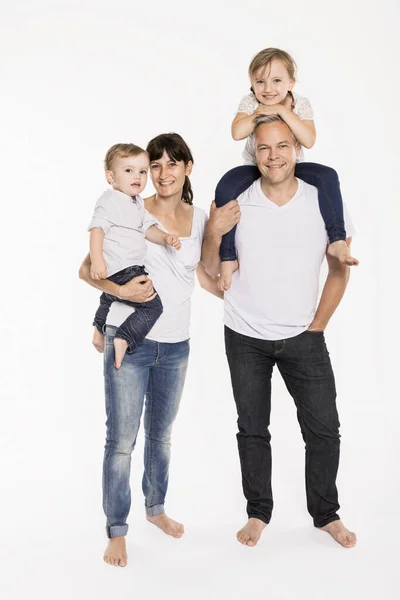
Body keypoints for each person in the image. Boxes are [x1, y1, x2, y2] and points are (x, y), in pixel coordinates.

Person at [79, 133, 237, 568]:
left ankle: (155, 509)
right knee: (122, 441)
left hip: (176, 344)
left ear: (187, 168)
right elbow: (85, 269)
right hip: (129, 339)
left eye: (173, 164)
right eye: (156, 164)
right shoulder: (128, 206)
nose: (162, 173)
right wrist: (117, 288)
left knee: (161, 436)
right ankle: (117, 529)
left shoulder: (200, 216)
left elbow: (204, 275)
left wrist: (236, 292)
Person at [201, 114, 357, 549]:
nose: (274, 156)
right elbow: (208, 271)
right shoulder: (237, 199)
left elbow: (339, 271)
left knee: (324, 431)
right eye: (265, 148)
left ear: (297, 149)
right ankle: (258, 512)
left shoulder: (321, 199)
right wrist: (213, 235)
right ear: (254, 153)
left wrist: (318, 324)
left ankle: (326, 515)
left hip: (304, 338)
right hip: (245, 337)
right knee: (253, 428)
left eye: (283, 146)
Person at [215, 47, 358, 291]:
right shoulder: (251, 102)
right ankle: (228, 257)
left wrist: (281, 110)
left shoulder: (299, 104)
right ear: (251, 84)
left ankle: (336, 240)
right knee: (226, 185)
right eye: (260, 82)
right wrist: (261, 111)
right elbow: (237, 132)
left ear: (291, 83)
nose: (268, 89)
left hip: (291, 167)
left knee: (328, 176)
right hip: (255, 167)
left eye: (277, 81)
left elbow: (309, 139)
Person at [89, 143, 181, 369]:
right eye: (128, 171)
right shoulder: (109, 200)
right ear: (111, 176)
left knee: (107, 298)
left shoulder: (137, 202)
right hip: (126, 269)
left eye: (142, 171)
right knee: (153, 305)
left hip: (121, 270)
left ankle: (98, 331)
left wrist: (165, 237)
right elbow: (96, 229)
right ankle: (124, 337)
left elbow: (148, 228)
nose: (137, 177)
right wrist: (97, 260)